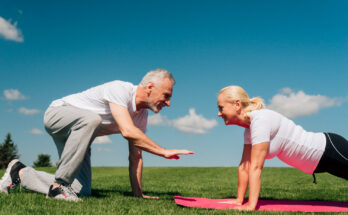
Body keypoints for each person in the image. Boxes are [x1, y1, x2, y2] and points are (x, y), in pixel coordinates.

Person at [0, 69, 193, 201]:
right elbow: (127, 131)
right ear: (150, 87)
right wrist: (163, 151)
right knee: (92, 119)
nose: (168, 103)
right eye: (166, 95)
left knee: (81, 190)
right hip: (57, 114)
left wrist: (138, 194)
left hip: (79, 136)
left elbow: (136, 156)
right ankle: (59, 185)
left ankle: (19, 172)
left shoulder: (141, 116)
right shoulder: (121, 89)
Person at [217, 85, 348, 211]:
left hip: (327, 149)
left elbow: (256, 167)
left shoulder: (260, 120)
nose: (219, 113)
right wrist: (239, 200)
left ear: (237, 104)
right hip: (319, 163)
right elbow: (245, 166)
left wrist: (251, 205)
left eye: (221, 108)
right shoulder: (249, 131)